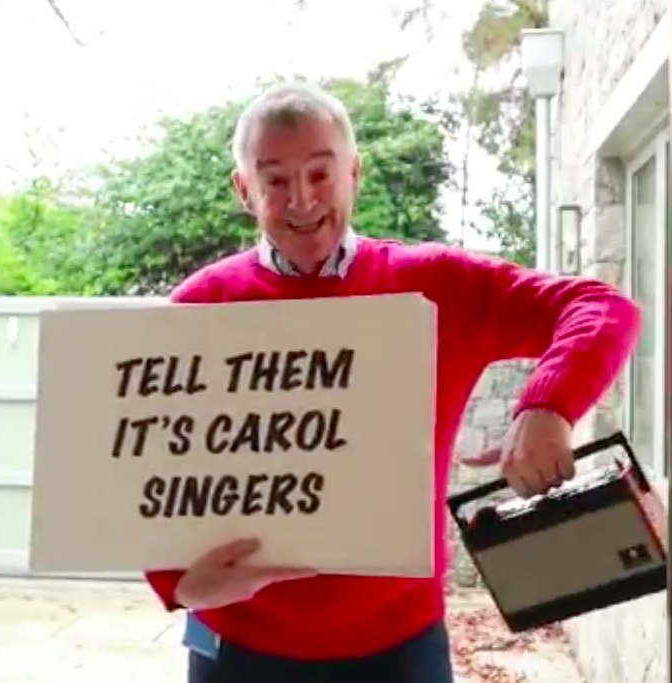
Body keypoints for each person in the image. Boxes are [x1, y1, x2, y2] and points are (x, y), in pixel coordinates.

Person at [146, 81, 641, 683]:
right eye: (274, 179)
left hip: (399, 646)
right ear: (244, 190)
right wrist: (174, 582)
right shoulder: (198, 307)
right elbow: (136, 464)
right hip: (237, 645)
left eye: (320, 174)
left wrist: (549, 405)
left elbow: (600, 306)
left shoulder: (436, 285)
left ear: (354, 173)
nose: (301, 199)